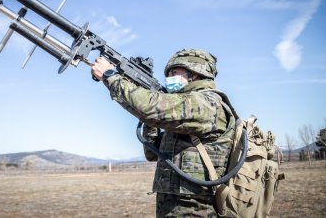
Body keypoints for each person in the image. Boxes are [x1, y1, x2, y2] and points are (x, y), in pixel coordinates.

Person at [91, 49, 236, 217]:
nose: (169, 78)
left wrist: (110, 75)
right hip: (170, 209)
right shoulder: (184, 114)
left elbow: (151, 108)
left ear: (194, 74)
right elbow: (152, 153)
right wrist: (150, 121)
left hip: (199, 210)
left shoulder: (208, 103)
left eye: (174, 72)